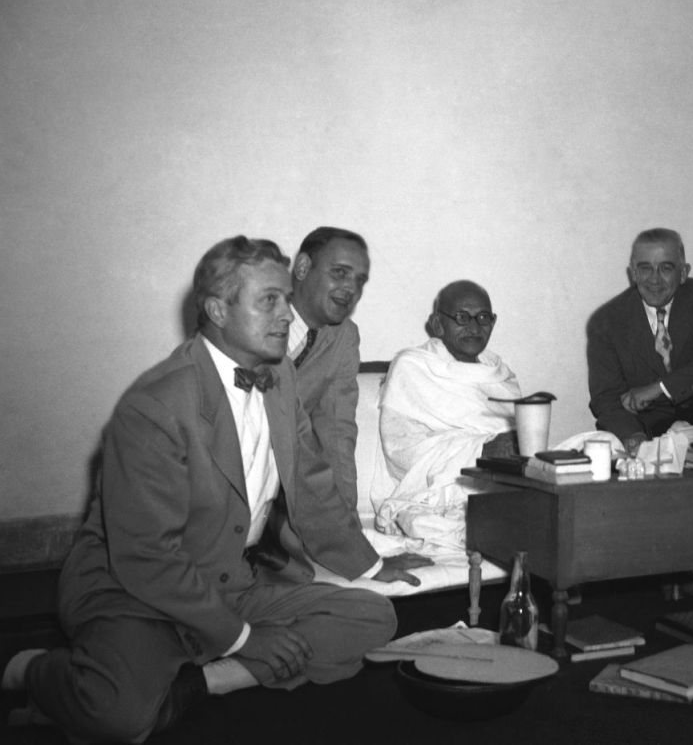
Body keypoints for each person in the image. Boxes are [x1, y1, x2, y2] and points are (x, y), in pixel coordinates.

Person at [1, 237, 429, 743]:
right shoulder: (154, 406)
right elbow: (146, 557)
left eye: (285, 300)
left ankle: (197, 684)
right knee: (120, 719)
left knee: (371, 616)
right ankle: (33, 671)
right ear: (216, 310)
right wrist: (247, 639)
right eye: (268, 300)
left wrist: (373, 564)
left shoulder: (279, 379)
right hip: (132, 590)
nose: (287, 316)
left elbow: (312, 482)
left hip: (228, 583)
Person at [372, 280, 521, 550]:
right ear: (437, 324)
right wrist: (482, 451)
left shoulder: (500, 373)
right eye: (462, 318)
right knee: (422, 522)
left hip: (504, 483)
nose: (475, 327)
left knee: (600, 445)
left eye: (483, 317)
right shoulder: (413, 366)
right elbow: (400, 450)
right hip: (442, 488)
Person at [587, 228, 693, 454]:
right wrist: (634, 438)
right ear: (632, 272)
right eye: (645, 268)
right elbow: (606, 398)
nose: (654, 279)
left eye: (665, 268)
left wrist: (661, 388)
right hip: (653, 429)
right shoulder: (606, 322)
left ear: (683, 273)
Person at [289, 226, 370, 513]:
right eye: (339, 273)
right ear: (302, 267)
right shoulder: (250, 318)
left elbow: (336, 434)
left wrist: (347, 526)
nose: (351, 289)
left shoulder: (343, 337)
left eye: (360, 281)